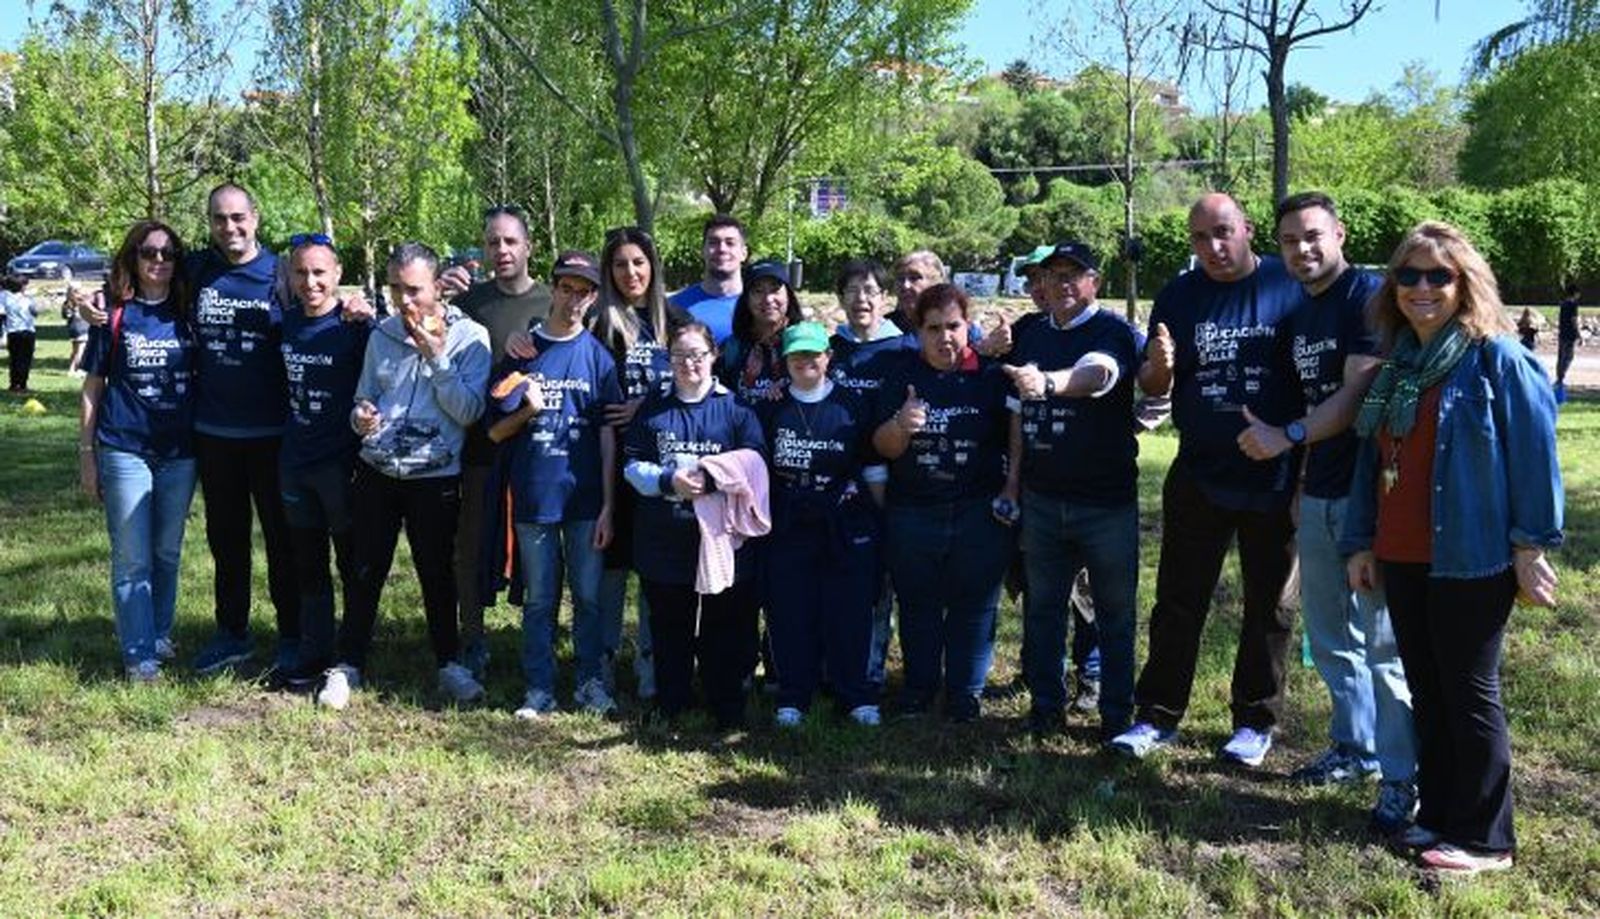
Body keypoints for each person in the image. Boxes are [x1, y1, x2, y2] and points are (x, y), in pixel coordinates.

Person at [73, 184, 374, 675]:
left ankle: (292, 636)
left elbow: (316, 302)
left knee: (282, 543)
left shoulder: (281, 272)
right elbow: (141, 281)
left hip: (274, 434)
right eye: (219, 218)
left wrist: (354, 307)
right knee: (226, 541)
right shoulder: (195, 269)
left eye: (237, 217)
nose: (229, 227)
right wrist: (93, 299)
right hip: (212, 434)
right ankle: (232, 633)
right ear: (210, 223)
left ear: (255, 218)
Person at [1341, 222, 1562, 875]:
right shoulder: (1398, 364)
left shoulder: (1498, 359)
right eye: (1408, 275)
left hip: (1472, 554)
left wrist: (1531, 547)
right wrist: (1361, 541)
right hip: (1403, 553)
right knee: (1428, 690)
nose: (1422, 287)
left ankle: (1488, 838)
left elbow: (1535, 457)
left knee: (1468, 692)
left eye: (1439, 275)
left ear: (1466, 283)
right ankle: (1439, 814)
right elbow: (1370, 464)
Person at [1236, 192, 1417, 833]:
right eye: (1290, 241)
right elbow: (1309, 398)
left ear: (1339, 234)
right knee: (1332, 635)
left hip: (1374, 496)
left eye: (1313, 235)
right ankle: (1355, 746)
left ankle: (1403, 777)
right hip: (1320, 493)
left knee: (1384, 644)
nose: (1302, 249)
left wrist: (1286, 436)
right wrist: (1301, 478)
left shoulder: (1366, 299)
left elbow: (1357, 392)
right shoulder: (1299, 312)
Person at [1111, 193, 1305, 767]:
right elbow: (1153, 384)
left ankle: (1254, 722)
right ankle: (1157, 715)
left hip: (1275, 474)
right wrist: (1162, 367)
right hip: (1200, 470)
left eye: (1223, 232)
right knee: (1178, 599)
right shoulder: (1179, 294)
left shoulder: (1289, 285)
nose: (1213, 247)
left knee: (1269, 605)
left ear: (1248, 229)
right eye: (1200, 238)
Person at [317, 243, 490, 709]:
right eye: (395, 288)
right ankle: (347, 664)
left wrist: (436, 358)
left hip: (435, 476)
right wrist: (361, 417)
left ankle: (449, 664)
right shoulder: (383, 334)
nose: (404, 300)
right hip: (377, 471)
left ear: (439, 287)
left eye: (413, 289)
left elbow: (469, 412)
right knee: (364, 569)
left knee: (436, 572)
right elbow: (364, 397)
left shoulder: (471, 338)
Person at [1002, 242, 1140, 741]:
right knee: (1043, 610)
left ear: (1094, 282)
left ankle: (1116, 716)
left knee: (1114, 614)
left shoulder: (1113, 331)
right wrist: (1013, 483)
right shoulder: (1033, 333)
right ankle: (1046, 707)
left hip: (1106, 503)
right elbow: (1018, 413)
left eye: (1072, 274)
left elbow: (1099, 373)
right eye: (1052, 274)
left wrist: (1049, 382)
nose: (1061, 283)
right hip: (1042, 498)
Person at [872, 283, 1018, 721]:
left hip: (978, 509)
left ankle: (964, 693)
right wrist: (901, 425)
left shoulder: (991, 375)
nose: (944, 337)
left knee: (975, 605)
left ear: (968, 326)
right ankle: (919, 688)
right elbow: (882, 447)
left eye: (953, 326)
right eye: (933, 328)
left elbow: (1015, 434)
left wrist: (1011, 488)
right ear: (918, 331)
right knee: (918, 603)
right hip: (913, 509)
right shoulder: (900, 375)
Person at [486, 250, 622, 718]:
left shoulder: (599, 359)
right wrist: (528, 410)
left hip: (585, 500)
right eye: (566, 288)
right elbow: (495, 431)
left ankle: (589, 683)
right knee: (540, 601)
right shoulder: (523, 352)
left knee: (588, 598)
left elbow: (607, 436)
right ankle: (539, 688)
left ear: (594, 298)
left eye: (583, 292)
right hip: (534, 497)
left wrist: (608, 505)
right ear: (553, 289)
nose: (573, 299)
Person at [623, 320, 767, 728]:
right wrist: (669, 480)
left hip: (721, 542)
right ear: (668, 360)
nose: (689, 364)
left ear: (713, 356)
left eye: (697, 355)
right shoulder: (653, 408)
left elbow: (755, 464)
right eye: (680, 356)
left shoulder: (735, 409)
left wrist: (713, 479)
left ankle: (726, 706)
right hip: (664, 539)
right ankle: (672, 703)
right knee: (670, 626)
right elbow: (631, 466)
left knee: (725, 627)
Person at [77, 220, 199, 681]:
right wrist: (87, 453)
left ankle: (159, 632)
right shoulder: (112, 312)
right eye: (149, 252)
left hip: (180, 450)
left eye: (168, 253)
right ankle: (138, 655)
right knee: (132, 557)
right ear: (133, 257)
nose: (159, 261)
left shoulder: (189, 309)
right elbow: (93, 387)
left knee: (166, 551)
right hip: (124, 447)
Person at [441, 205, 553, 675]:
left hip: (537, 449)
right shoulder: (469, 303)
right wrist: (439, 291)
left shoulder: (552, 300)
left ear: (529, 246)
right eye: (493, 242)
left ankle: (541, 642)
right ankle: (473, 638)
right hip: (480, 446)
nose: (501, 250)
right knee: (470, 546)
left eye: (510, 241)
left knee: (540, 553)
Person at [758, 321, 886, 728]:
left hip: (843, 521)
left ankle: (856, 694)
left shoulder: (852, 404)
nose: (805, 361)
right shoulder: (770, 406)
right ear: (785, 361)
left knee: (849, 610)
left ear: (828, 357)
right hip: (788, 523)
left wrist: (879, 518)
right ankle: (794, 695)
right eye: (796, 355)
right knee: (790, 610)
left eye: (813, 353)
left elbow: (872, 465)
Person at [276, 235, 372, 689]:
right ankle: (314, 649)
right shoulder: (285, 323)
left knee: (350, 560)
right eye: (301, 272)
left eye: (319, 272)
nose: (310, 282)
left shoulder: (356, 326)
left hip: (341, 465)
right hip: (295, 462)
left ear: (337, 273)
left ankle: (353, 649)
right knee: (308, 561)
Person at [827, 259, 911, 691]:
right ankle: (831, 665)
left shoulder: (903, 351)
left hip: (893, 480)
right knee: (839, 572)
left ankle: (871, 670)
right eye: (852, 290)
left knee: (882, 577)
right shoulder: (830, 350)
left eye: (871, 291)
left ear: (885, 298)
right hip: (837, 479)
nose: (861, 299)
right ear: (840, 298)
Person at [715, 259, 805, 403]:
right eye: (758, 291)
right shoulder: (732, 348)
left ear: (788, 295)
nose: (768, 299)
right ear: (746, 299)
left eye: (775, 290)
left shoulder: (804, 343)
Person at [668, 214, 746, 344]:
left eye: (730, 243)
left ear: (744, 253)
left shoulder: (762, 306)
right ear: (702, 251)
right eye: (713, 242)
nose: (722, 249)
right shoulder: (674, 306)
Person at [2, 275, 38, 392]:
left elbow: (2, 314)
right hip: (28, 331)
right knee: (26, 359)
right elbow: (35, 312)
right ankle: (22, 384)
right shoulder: (27, 299)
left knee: (14, 358)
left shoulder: (4, 297)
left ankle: (14, 384)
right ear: (22, 286)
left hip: (13, 332)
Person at [1555, 281, 1581, 401]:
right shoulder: (1573, 305)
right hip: (1570, 334)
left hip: (1562, 333)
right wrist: (1578, 334)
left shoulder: (1563, 304)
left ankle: (1559, 377)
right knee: (1569, 357)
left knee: (1561, 356)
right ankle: (1561, 378)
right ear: (1575, 293)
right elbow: (1574, 320)